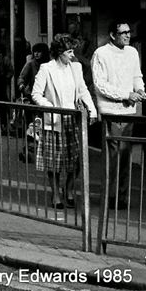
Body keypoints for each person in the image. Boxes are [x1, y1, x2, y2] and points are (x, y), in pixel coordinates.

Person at [31, 34, 98, 209]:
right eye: (69, 51)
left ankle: (68, 189)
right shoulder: (47, 68)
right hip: (54, 120)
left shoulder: (75, 67)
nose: (72, 54)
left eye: (72, 51)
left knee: (75, 160)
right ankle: (55, 193)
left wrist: (92, 110)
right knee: (54, 160)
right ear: (59, 52)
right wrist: (50, 107)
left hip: (73, 119)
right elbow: (36, 94)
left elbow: (83, 90)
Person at [92, 21, 146, 210]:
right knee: (112, 155)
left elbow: (136, 76)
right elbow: (100, 84)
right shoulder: (101, 54)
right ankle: (109, 197)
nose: (127, 35)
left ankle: (122, 197)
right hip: (111, 111)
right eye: (123, 32)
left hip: (128, 111)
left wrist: (140, 90)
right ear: (112, 35)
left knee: (125, 155)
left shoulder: (132, 53)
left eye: (129, 32)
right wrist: (125, 94)